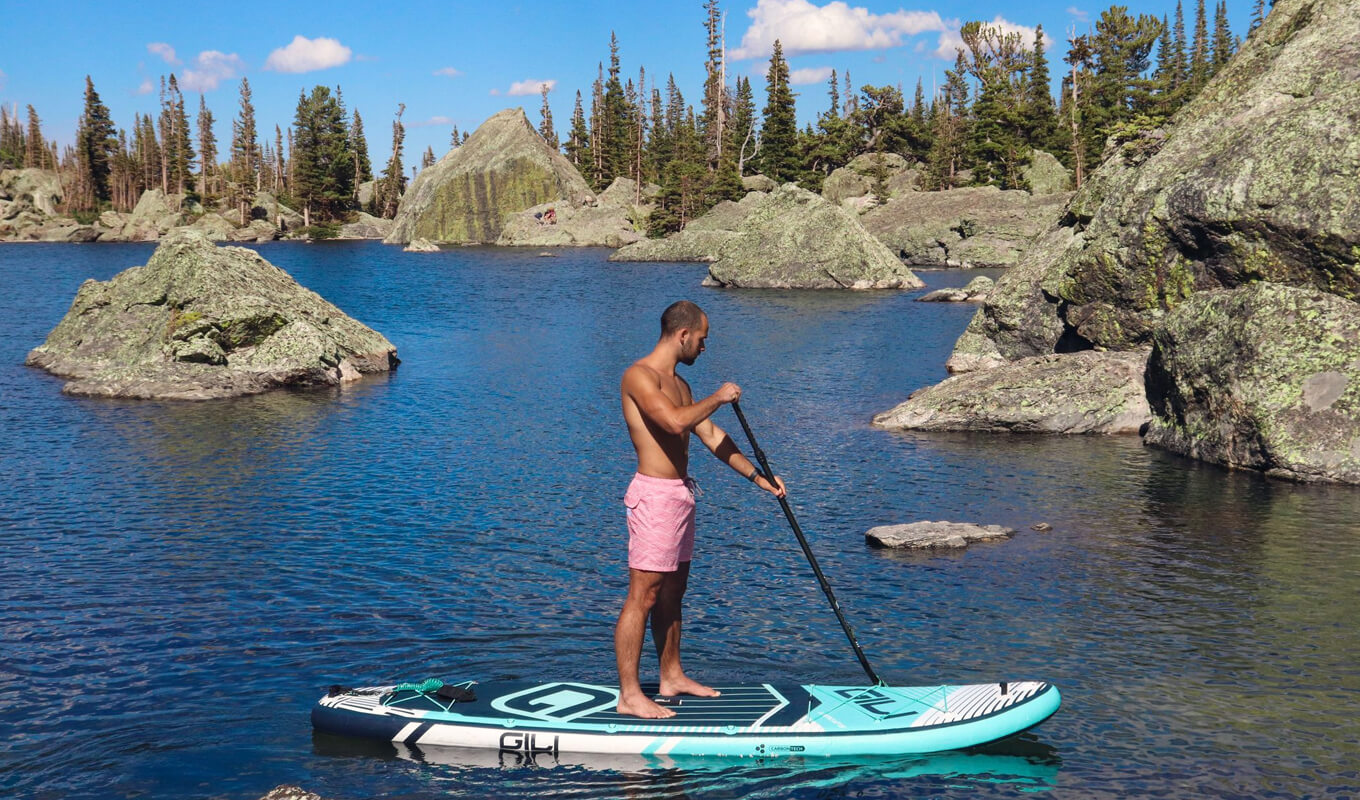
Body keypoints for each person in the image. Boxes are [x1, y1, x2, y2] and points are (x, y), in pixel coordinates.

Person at [615, 300, 786, 719]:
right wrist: (719, 396)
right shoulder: (639, 376)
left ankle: (671, 675)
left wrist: (758, 477)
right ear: (683, 335)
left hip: (680, 495)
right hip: (653, 497)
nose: (704, 348)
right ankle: (630, 694)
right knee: (644, 594)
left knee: (673, 593)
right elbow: (674, 423)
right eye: (703, 339)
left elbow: (710, 435)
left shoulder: (681, 386)